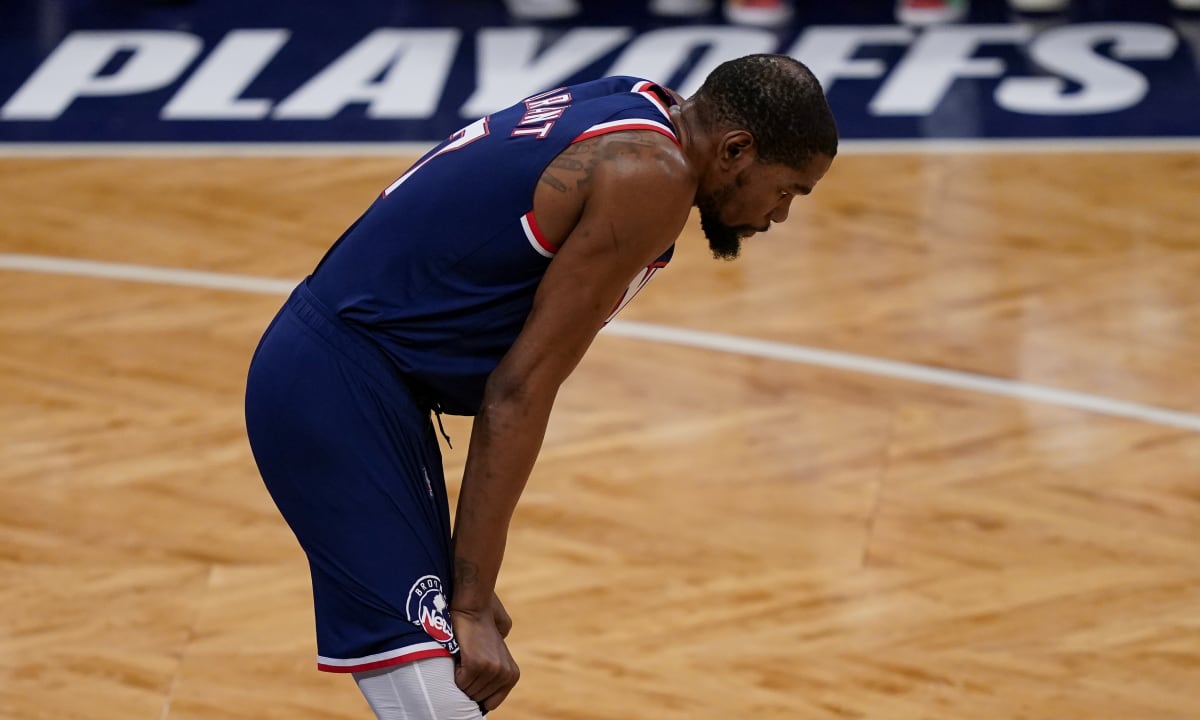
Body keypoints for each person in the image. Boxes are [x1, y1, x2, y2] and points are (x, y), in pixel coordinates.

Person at [244, 53, 837, 719]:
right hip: (335, 388)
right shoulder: (652, 175)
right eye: (788, 190)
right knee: (440, 701)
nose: (780, 215)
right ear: (735, 149)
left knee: (441, 686)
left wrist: (466, 571)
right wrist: (470, 603)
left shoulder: (636, 100)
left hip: (362, 384)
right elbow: (518, 392)